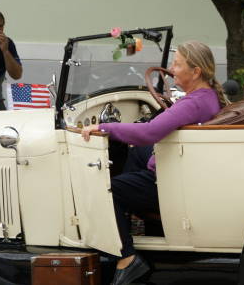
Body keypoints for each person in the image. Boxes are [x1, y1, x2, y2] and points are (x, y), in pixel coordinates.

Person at [81, 41, 229, 285]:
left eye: (177, 64)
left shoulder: (193, 103)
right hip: (180, 167)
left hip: (170, 181)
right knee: (138, 152)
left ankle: (127, 257)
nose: (171, 69)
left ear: (196, 72)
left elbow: (148, 132)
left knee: (108, 189)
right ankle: (137, 221)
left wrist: (103, 126)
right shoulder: (207, 96)